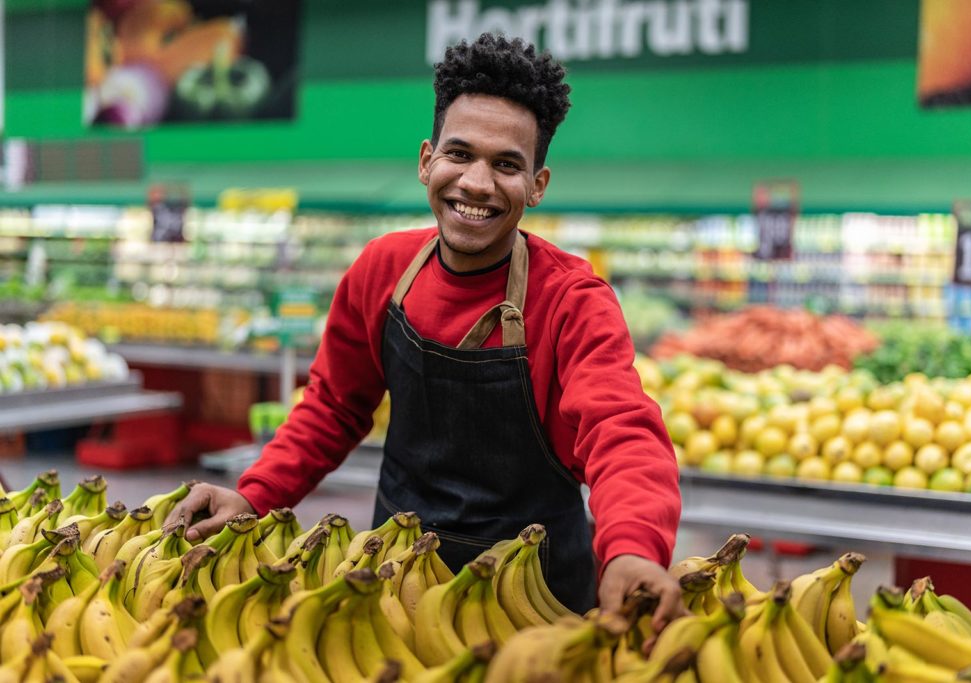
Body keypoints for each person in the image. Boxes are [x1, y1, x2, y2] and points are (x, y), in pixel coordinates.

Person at [169, 33, 683, 629]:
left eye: (507, 164)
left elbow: (623, 431)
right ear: (426, 161)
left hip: (538, 600)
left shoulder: (572, 300)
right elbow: (333, 406)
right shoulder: (381, 271)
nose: (477, 183)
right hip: (394, 581)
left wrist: (632, 550)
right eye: (459, 154)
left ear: (538, 185)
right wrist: (255, 495)